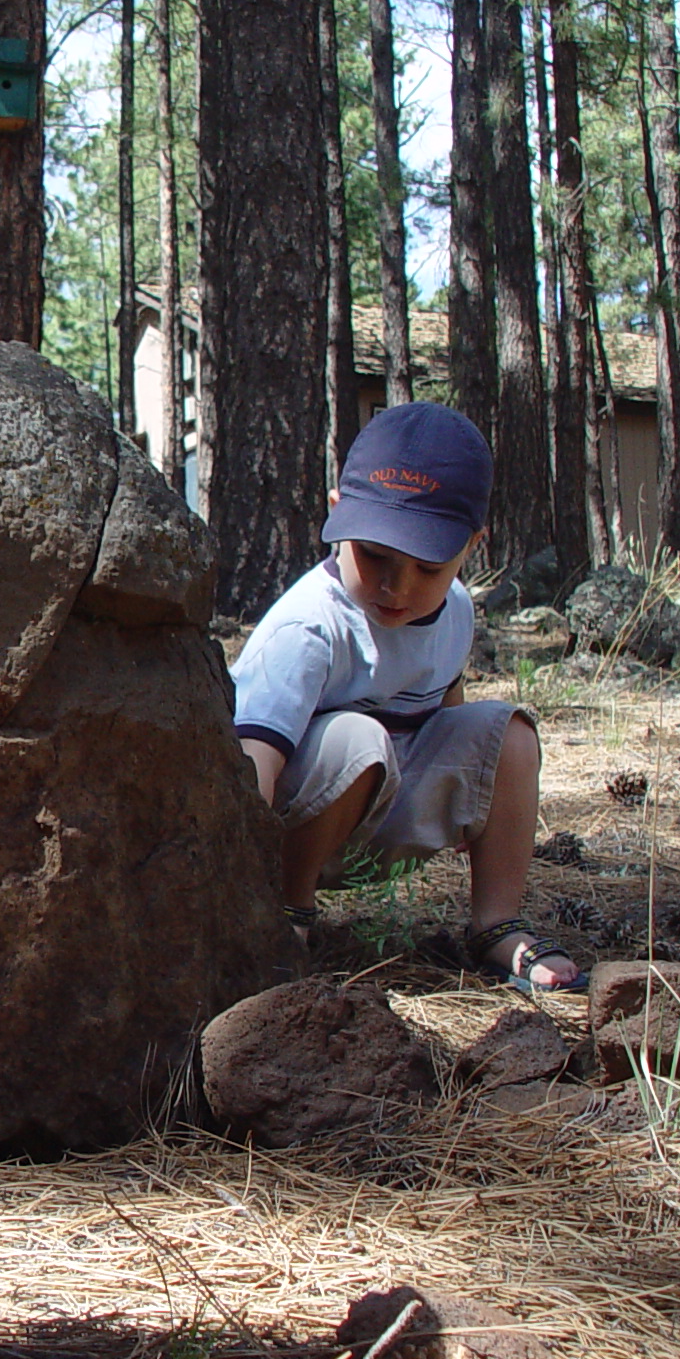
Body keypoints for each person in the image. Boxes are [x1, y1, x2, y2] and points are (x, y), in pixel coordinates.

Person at [227, 401, 581, 992]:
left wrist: (481, 814)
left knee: (509, 734)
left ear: (472, 546)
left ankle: (496, 923)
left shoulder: (457, 611)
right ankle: (288, 914)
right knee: (356, 737)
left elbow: (455, 721)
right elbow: (251, 775)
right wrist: (232, 899)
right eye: (376, 557)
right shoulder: (308, 628)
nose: (398, 586)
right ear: (337, 517)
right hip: (291, 833)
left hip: (384, 818)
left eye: (427, 566)